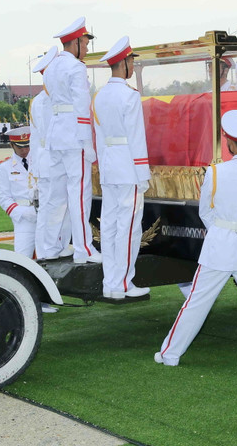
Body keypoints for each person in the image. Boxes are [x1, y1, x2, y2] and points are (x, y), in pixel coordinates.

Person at [155, 110, 237, 376]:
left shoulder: (214, 172)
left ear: (229, 141)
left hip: (218, 244)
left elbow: (205, 213)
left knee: (196, 302)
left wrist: (222, 232)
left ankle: (170, 354)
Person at [39, 17, 101, 264]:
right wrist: (87, 142)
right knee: (79, 195)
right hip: (74, 135)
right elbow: (82, 106)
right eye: (84, 44)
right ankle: (84, 248)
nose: (86, 48)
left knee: (56, 195)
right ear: (74, 42)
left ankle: (51, 246)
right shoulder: (76, 68)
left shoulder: (52, 66)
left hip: (56, 136)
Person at [94, 36, 152, 300]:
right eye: (131, 62)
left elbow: (99, 138)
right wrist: (143, 174)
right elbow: (137, 138)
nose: (133, 66)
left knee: (109, 226)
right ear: (125, 63)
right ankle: (124, 284)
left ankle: (110, 283)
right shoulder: (129, 96)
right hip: (128, 166)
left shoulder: (99, 96)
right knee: (129, 228)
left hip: (109, 166)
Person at [0, 127, 56, 313]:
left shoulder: (39, 162)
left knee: (45, 257)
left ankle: (43, 300)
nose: (24, 150)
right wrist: (21, 212)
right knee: (22, 258)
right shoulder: (5, 167)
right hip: (23, 216)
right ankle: (20, 300)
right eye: (20, 146)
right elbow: (3, 196)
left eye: (27, 146)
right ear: (12, 145)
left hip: (43, 212)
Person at [31, 46, 73, 259]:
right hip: (53, 157)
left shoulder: (38, 99)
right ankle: (49, 249)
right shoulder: (50, 100)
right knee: (54, 208)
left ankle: (53, 247)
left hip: (44, 160)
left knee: (53, 208)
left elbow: (33, 138)